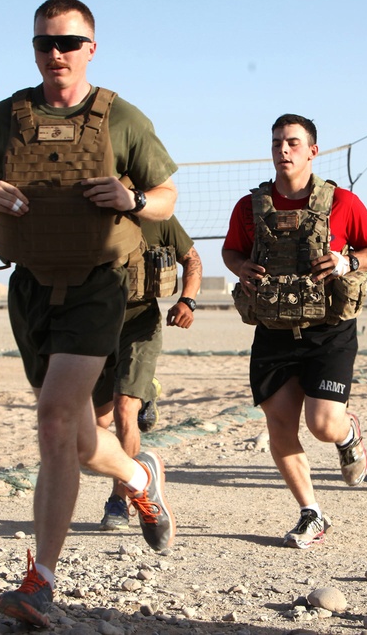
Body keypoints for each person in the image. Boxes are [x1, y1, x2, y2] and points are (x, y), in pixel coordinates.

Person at [0, 0, 177, 628]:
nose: (56, 54)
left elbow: (166, 196)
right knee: (77, 442)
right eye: (44, 43)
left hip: (96, 287)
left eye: (69, 43)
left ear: (91, 48)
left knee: (53, 421)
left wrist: (132, 196)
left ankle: (39, 580)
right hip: (29, 288)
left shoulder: (121, 118)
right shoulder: (5, 118)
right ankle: (139, 477)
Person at [222, 114, 367, 549]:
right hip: (274, 330)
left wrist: (347, 262)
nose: (283, 150)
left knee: (322, 424)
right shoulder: (250, 207)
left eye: (293, 143)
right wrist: (242, 269)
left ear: (313, 151)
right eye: (277, 142)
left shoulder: (343, 203)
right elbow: (231, 250)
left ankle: (347, 433)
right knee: (279, 424)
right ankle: (311, 512)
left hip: (327, 330)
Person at [94, 216, 202, 530]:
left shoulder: (158, 216)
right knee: (98, 424)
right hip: (95, 324)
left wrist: (188, 300)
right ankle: (148, 388)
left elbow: (191, 259)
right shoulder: (85, 212)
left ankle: (120, 498)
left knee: (125, 409)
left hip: (140, 322)